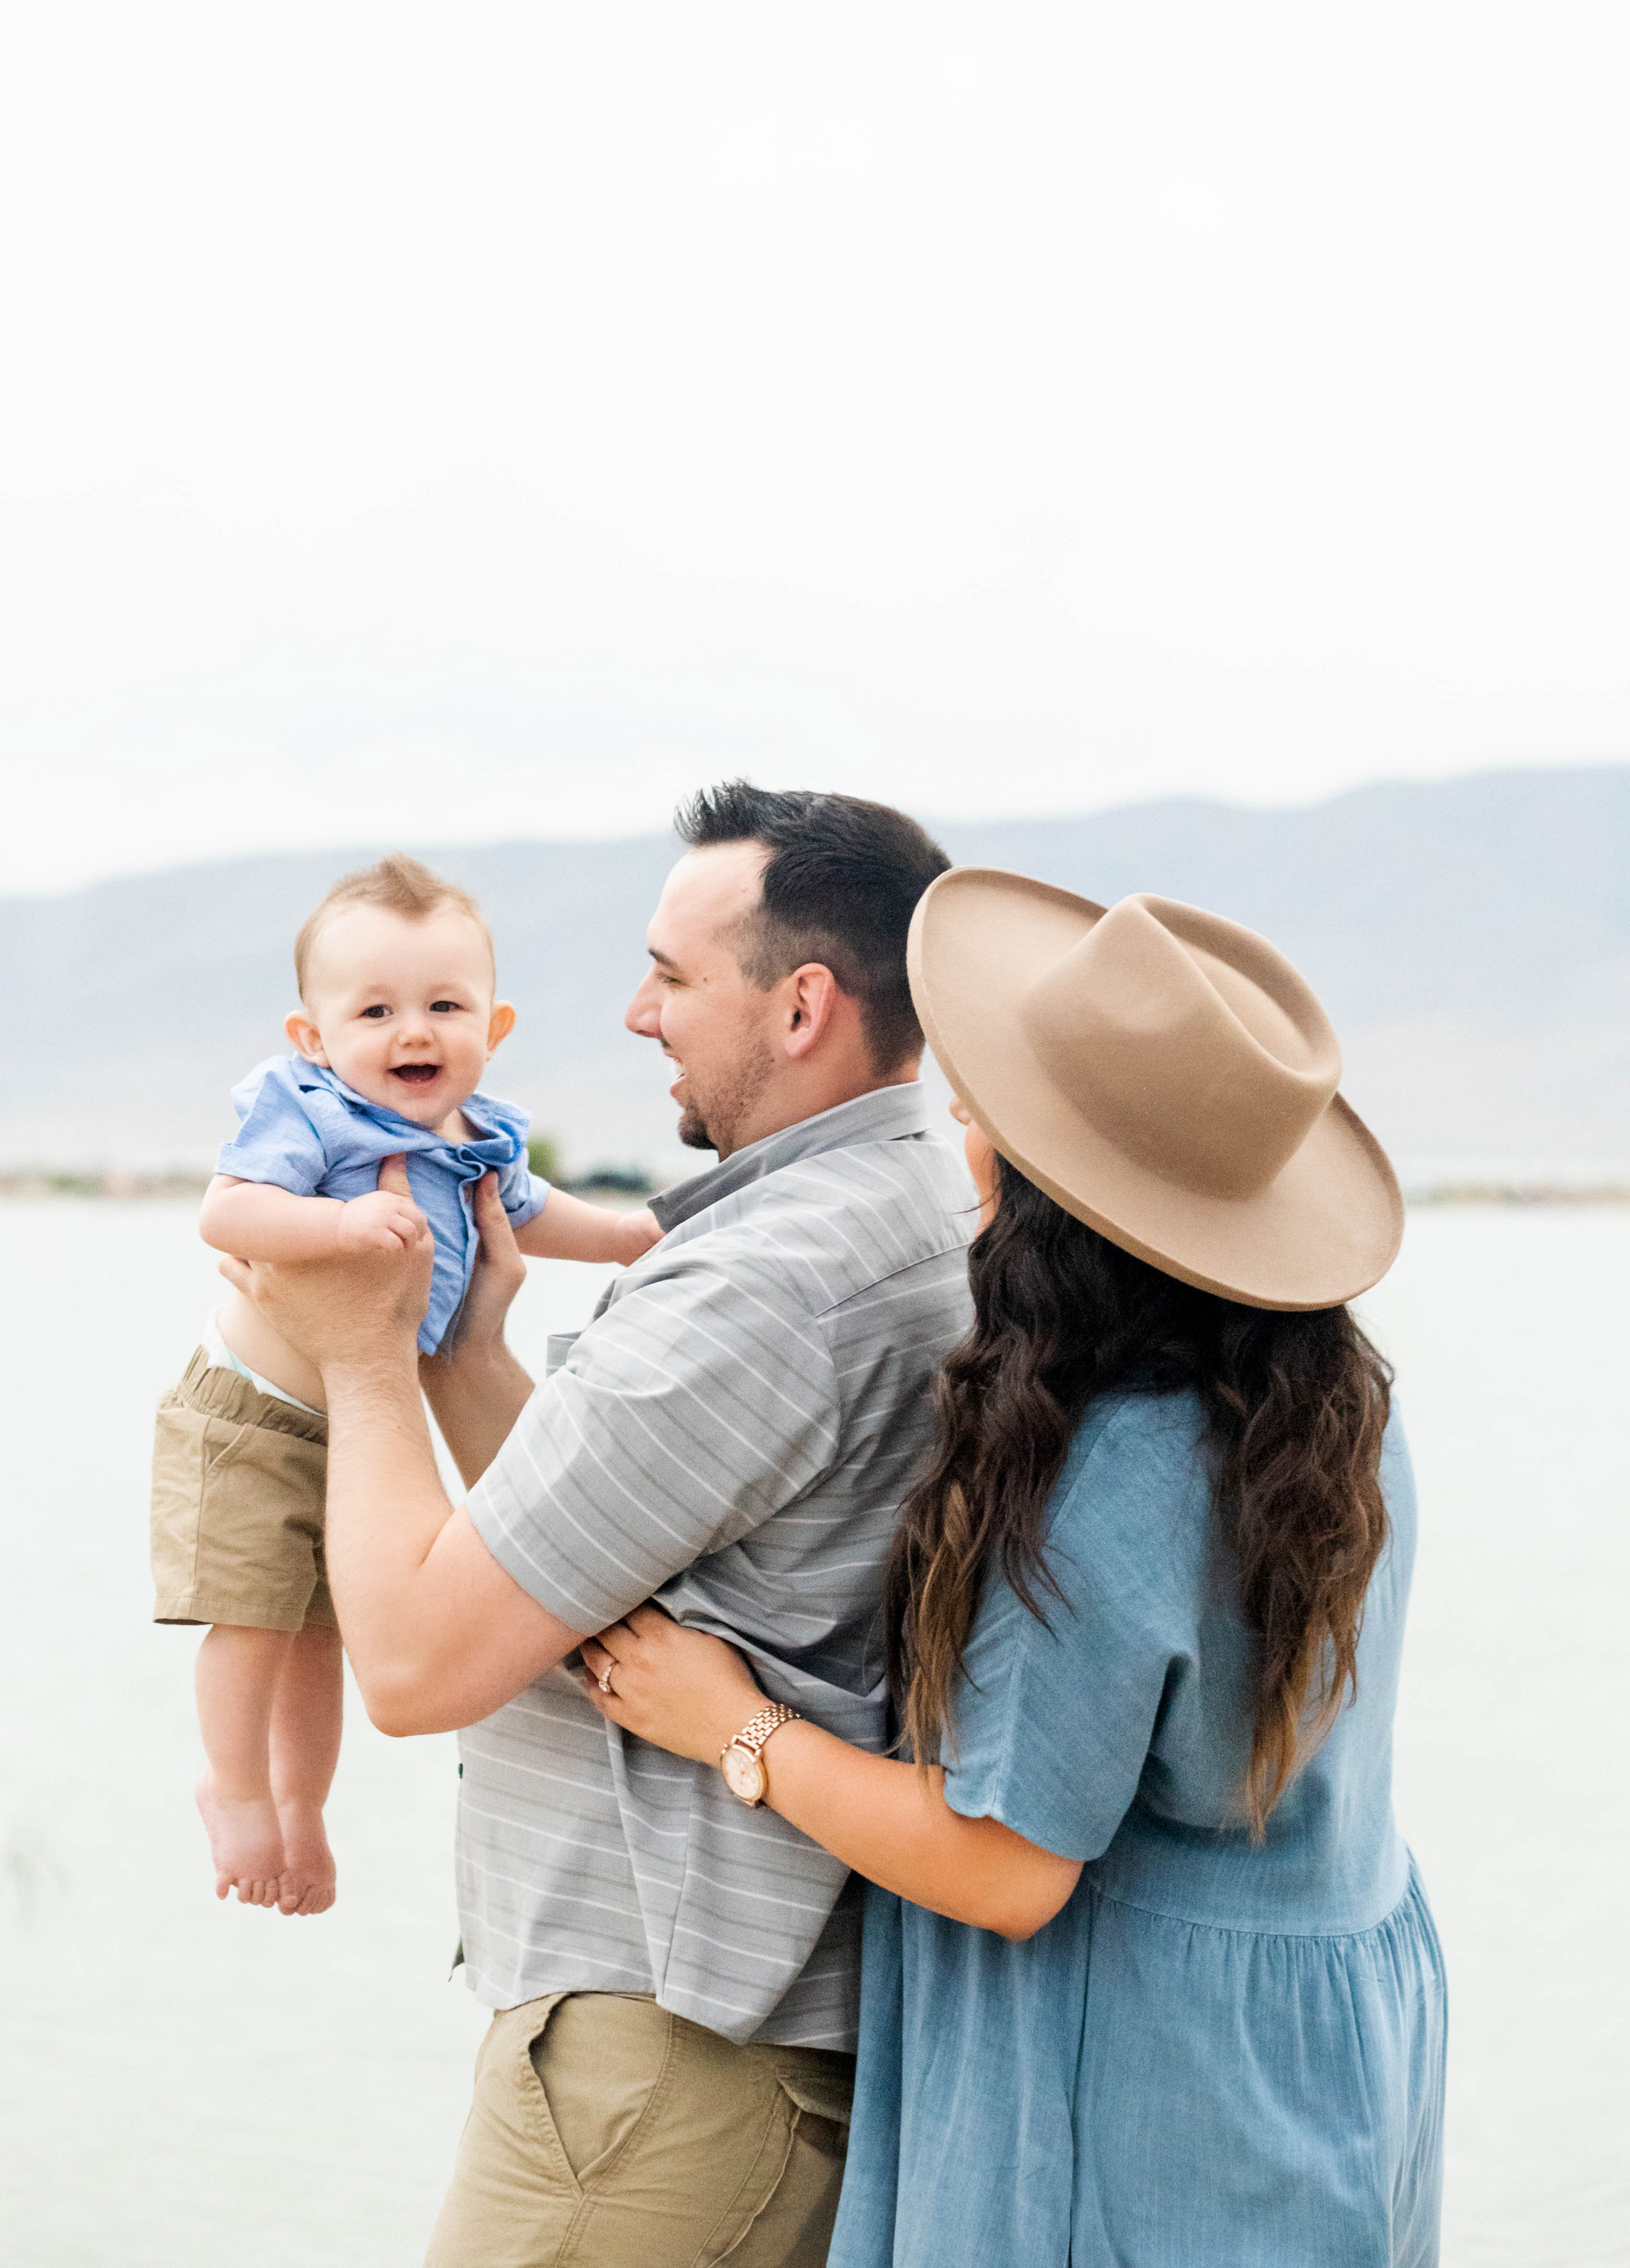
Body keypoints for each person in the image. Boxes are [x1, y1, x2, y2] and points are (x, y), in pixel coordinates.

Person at [574, 871, 1448, 2268]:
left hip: (1141, 2066)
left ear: (1056, 1203)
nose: (957, 1140)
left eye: (984, 1120)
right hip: (1332, 2032)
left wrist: (732, 1725)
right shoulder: (1339, 1407)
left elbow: (1004, 1868)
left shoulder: (1115, 1478)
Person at [214, 784, 974, 2267]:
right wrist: (462, 1353)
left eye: (671, 977)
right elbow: (603, 1563)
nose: (636, 1015)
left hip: (658, 2074)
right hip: (718, 2051)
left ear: (802, 1007)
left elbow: (418, 1665)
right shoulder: (894, 1206)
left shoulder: (771, 1285)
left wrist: (360, 1353)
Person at [150, 853, 658, 1920]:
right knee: (253, 1616)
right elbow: (227, 1214)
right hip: (252, 1410)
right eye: (375, 1011)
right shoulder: (309, 1112)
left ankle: (302, 1810)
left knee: (326, 1631)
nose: (413, 1033)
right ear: (314, 1037)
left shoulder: (483, 1138)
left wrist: (620, 1237)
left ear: (495, 1026)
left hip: (357, 1427)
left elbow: (529, 1212)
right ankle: (231, 1784)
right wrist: (336, 1222)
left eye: (444, 1007)